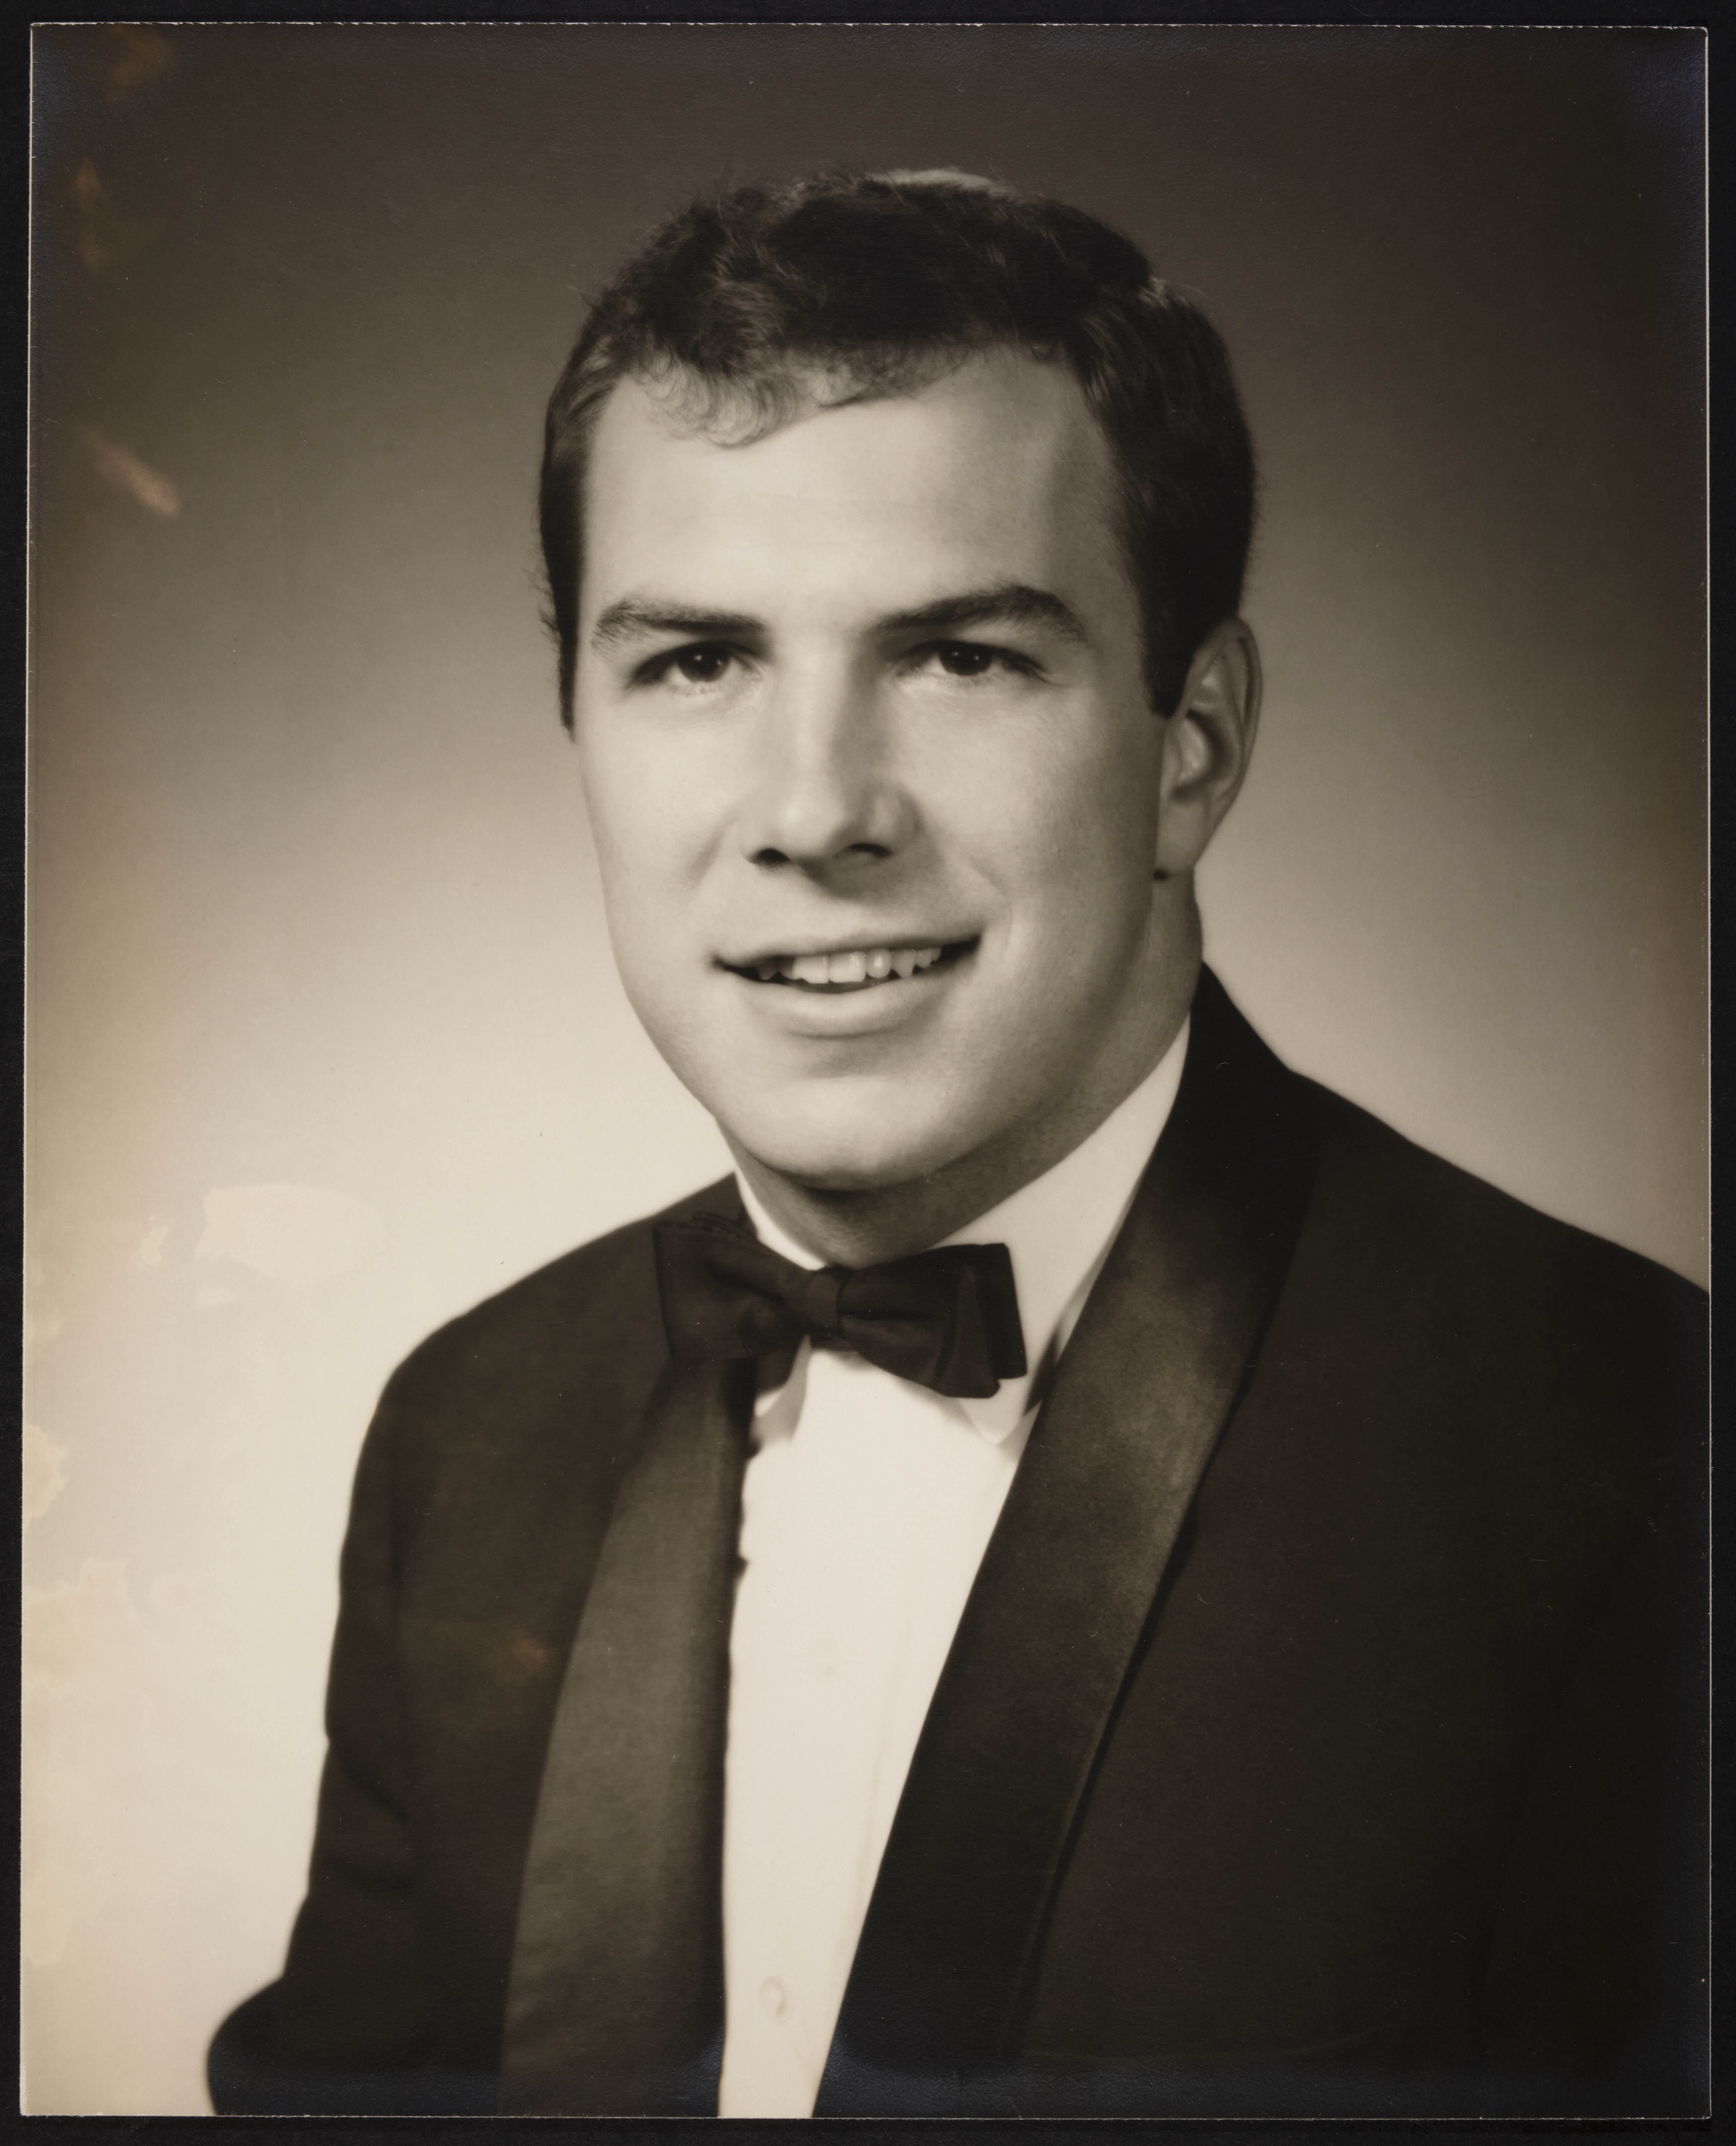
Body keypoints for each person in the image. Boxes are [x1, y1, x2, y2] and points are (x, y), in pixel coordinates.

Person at [207, 169, 1706, 2120]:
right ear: (577, 718)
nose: (815, 810)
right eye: (695, 661)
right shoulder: (467, 1429)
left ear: (1193, 744)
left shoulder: (1634, 1455)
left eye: (960, 657)